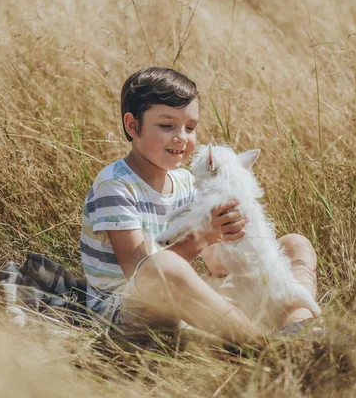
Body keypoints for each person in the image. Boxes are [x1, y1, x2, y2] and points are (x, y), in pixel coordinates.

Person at [80, 67, 318, 344]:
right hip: (129, 313)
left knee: (294, 244)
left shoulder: (185, 181)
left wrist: (236, 238)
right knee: (165, 265)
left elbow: (217, 267)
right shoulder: (115, 186)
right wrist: (205, 236)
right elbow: (141, 272)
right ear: (133, 125)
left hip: (184, 297)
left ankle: (301, 331)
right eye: (167, 126)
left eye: (190, 128)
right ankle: (266, 347)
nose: (182, 137)